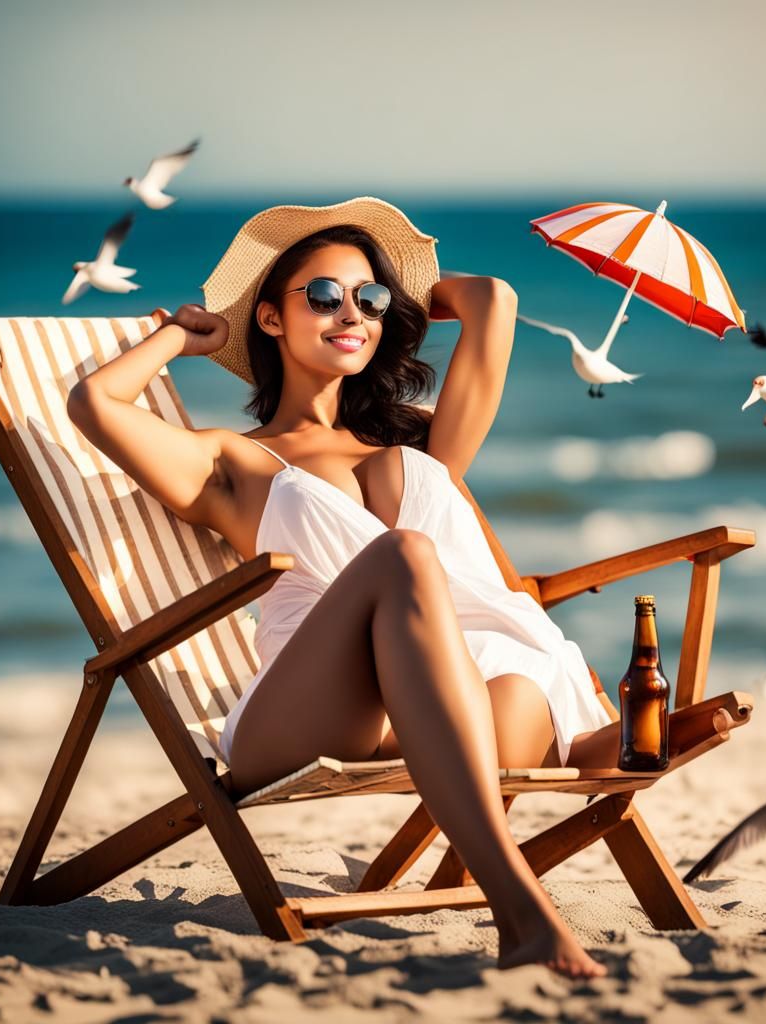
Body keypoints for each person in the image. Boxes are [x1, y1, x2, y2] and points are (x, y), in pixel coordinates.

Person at [66, 196, 622, 979]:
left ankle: (544, 795)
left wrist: (399, 290)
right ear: (269, 319)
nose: (350, 313)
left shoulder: (415, 438)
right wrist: (182, 337)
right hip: (302, 713)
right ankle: (521, 910)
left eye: (368, 298)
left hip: (425, 699)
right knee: (405, 556)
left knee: (522, 691)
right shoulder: (233, 459)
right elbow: (95, 405)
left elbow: (492, 299)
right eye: (322, 297)